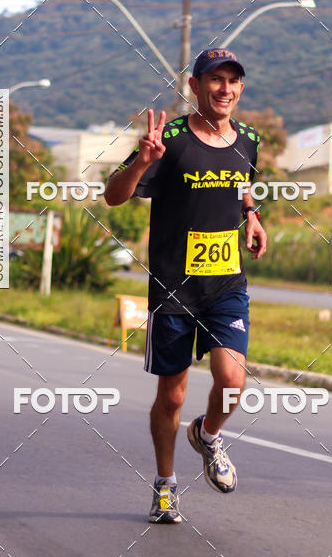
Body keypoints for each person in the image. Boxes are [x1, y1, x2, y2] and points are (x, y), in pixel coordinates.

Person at [105, 48, 267, 523]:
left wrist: (252, 216)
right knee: (172, 394)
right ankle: (165, 484)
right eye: (215, 80)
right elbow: (113, 196)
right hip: (175, 288)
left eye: (233, 81)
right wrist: (140, 163)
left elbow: (242, 185)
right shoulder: (169, 140)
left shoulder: (249, 140)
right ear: (195, 86)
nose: (225, 89)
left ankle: (209, 435)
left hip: (226, 285)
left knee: (233, 379)